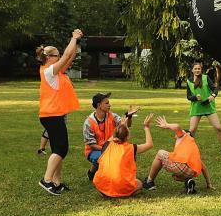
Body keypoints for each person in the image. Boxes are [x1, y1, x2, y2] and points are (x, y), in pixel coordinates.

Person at [36, 29, 83, 195]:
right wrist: (73, 37)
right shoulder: (49, 71)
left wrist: (75, 43)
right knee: (62, 148)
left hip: (54, 115)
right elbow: (65, 57)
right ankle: (46, 180)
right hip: (51, 116)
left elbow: (69, 57)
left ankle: (57, 182)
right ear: (49, 58)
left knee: (57, 148)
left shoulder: (57, 71)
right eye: (56, 55)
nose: (59, 57)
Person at [143, 116, 215, 194]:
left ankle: (149, 181)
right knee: (176, 176)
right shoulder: (191, 147)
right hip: (191, 172)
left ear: (186, 133)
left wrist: (167, 125)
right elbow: (204, 168)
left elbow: (177, 127)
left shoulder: (184, 135)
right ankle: (188, 182)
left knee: (160, 153)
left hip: (180, 166)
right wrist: (209, 184)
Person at [93, 114, 154, 198]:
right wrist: (146, 127)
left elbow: (115, 135)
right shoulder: (131, 148)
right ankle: (121, 192)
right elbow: (149, 144)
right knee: (139, 184)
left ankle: (108, 192)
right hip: (120, 185)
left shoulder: (107, 145)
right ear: (128, 136)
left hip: (103, 186)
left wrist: (122, 125)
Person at [83, 92, 139, 181]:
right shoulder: (88, 122)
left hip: (111, 147)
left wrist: (129, 116)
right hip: (94, 150)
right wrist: (108, 150)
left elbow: (125, 127)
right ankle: (107, 177)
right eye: (107, 103)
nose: (110, 105)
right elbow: (92, 145)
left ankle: (93, 173)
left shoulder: (113, 116)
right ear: (99, 105)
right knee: (104, 158)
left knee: (128, 153)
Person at [186, 62, 221, 156]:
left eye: (199, 68)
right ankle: (188, 151)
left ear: (201, 69)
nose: (197, 70)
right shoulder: (189, 81)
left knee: (218, 128)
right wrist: (195, 97)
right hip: (196, 108)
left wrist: (212, 96)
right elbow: (188, 96)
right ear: (192, 70)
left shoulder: (205, 77)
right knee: (192, 130)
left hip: (208, 106)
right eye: (195, 68)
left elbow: (215, 89)